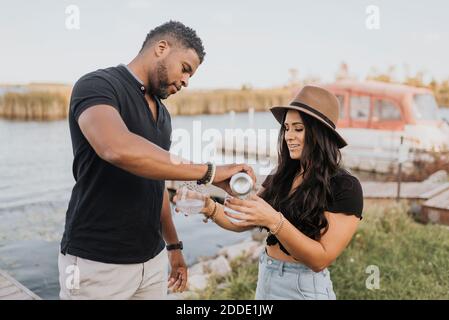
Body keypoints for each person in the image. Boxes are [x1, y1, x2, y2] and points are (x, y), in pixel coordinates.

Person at [58, 21, 255, 300]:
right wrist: (209, 172)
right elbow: (115, 147)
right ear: (161, 48)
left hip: (151, 261)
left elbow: (157, 184)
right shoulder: (98, 85)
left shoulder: (163, 115)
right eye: (185, 68)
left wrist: (174, 247)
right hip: (98, 263)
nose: (186, 81)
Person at [184, 85, 363, 300]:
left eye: (298, 128)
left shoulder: (345, 187)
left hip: (304, 289)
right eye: (286, 128)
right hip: (267, 278)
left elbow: (320, 260)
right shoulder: (281, 175)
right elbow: (240, 221)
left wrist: (274, 221)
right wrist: (208, 206)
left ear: (319, 133)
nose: (289, 136)